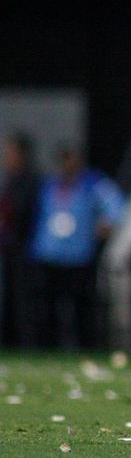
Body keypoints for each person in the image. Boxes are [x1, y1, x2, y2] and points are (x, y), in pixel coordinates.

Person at [28, 145, 124, 349]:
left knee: (81, 308)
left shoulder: (92, 183)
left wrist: (107, 223)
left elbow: (116, 205)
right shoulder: (48, 185)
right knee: (48, 308)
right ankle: (48, 348)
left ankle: (85, 347)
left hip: (79, 256)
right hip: (48, 255)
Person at [0, 132, 39, 348]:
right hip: (9, 249)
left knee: (24, 301)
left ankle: (26, 344)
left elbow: (21, 214)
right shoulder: (9, 179)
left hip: (24, 250)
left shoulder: (30, 181)